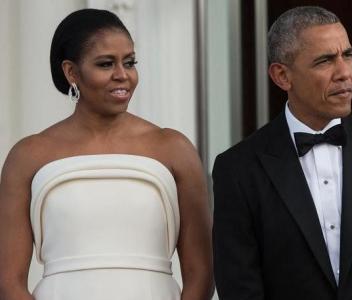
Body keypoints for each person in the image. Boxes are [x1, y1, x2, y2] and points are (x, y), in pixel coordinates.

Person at [212, 6, 352, 299]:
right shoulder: (238, 168)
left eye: (347, 55)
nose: (344, 73)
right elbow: (240, 287)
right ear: (282, 76)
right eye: (325, 61)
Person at [0, 8, 213, 300]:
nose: (122, 75)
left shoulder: (174, 148)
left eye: (130, 62)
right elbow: (8, 280)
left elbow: (201, 271)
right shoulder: (28, 155)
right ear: (71, 72)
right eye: (105, 64)